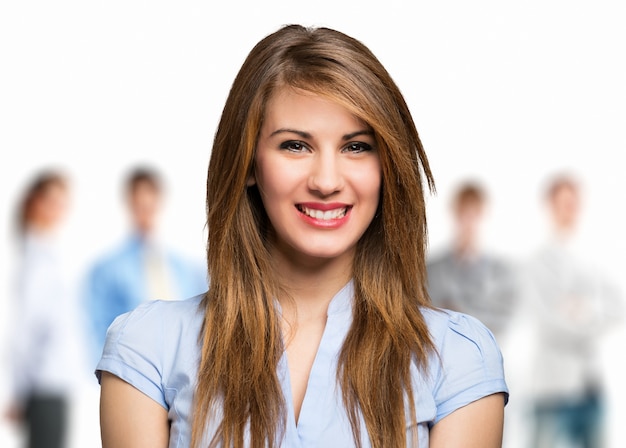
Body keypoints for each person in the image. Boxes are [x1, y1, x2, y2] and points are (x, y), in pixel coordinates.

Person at [96, 24, 508, 447]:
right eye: (295, 145)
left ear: (388, 167)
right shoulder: (149, 347)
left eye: (356, 147)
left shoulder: (458, 359)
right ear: (250, 163)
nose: (327, 181)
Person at [521, 173, 623, 448]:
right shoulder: (537, 262)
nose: (569, 209)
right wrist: (592, 315)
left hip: (591, 389)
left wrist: (581, 308)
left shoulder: (593, 258)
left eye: (573, 203)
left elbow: (618, 307)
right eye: (563, 203)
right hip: (553, 392)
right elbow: (550, 324)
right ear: (550, 206)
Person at [83, 166, 208, 366]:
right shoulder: (108, 269)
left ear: (159, 202)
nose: (145, 211)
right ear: (129, 203)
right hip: (131, 369)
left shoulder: (183, 268)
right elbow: (95, 329)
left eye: (149, 204)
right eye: (139, 205)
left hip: (182, 368)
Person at [4, 170, 79, 448]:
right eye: (51, 200)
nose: (58, 209)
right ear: (33, 202)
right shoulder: (36, 260)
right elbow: (25, 331)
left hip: (56, 383)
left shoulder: (51, 253)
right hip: (42, 386)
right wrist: (19, 391)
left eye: (63, 202)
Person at [426, 181, 519, 342]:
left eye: (474, 214)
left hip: (483, 357)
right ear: (454, 213)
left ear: (483, 215)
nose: (468, 222)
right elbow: (428, 319)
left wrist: (455, 310)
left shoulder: (501, 273)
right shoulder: (432, 270)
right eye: (463, 214)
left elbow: (503, 321)